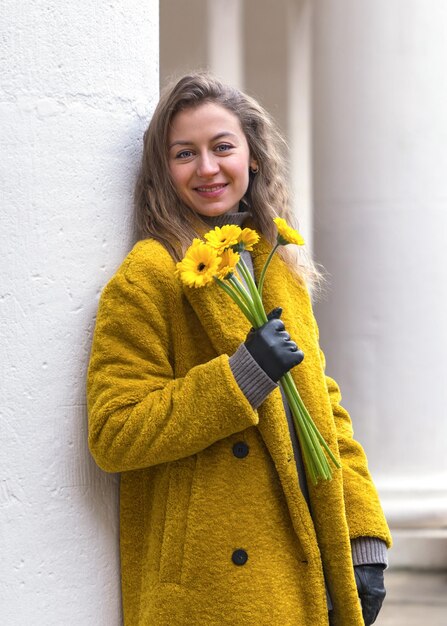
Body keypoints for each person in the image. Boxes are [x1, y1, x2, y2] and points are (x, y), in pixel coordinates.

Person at [87, 72, 391, 626]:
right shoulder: (149, 276)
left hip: (302, 556)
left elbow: (324, 410)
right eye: (185, 153)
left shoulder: (279, 264)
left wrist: (365, 535)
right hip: (211, 585)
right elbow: (115, 431)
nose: (206, 168)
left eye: (221, 147)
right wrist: (241, 377)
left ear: (251, 156)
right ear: (163, 170)